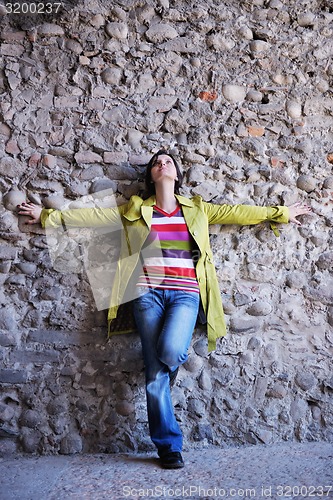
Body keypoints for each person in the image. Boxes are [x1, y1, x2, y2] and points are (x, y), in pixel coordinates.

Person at [17, 150, 312, 469]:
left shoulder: (197, 209)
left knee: (169, 352)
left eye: (168, 161)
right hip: (147, 294)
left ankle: (167, 435)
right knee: (155, 373)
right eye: (156, 163)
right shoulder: (135, 209)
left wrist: (279, 212)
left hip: (185, 294)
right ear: (151, 176)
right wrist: (47, 216)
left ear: (177, 174)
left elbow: (237, 212)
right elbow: (94, 217)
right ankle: (168, 446)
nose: (162, 164)